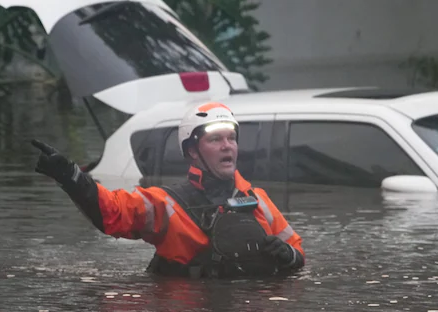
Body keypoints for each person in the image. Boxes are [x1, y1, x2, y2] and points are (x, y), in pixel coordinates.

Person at [30, 101, 305, 278]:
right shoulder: (164, 204)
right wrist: (71, 175)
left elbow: (298, 252)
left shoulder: (258, 200)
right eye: (215, 139)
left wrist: (289, 256)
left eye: (231, 138)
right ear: (193, 151)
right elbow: (110, 211)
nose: (227, 146)